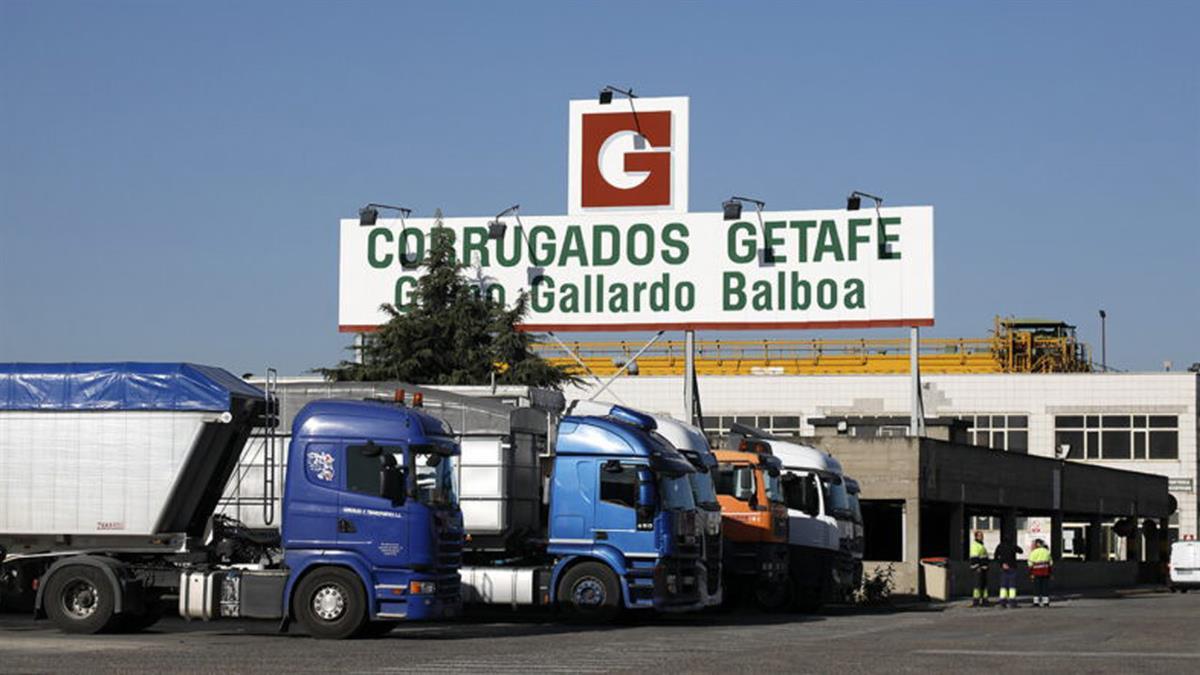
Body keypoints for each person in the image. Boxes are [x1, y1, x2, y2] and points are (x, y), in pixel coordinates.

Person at [993, 535, 1023, 608]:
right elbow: (1021, 551)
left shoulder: (1000, 546)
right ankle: (1012, 602)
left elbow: (995, 557)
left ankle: (1003, 602)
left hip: (1003, 568)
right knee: (1012, 585)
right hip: (1012, 567)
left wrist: (1002, 563)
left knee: (1003, 585)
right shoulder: (1012, 546)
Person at [1029, 538, 1054, 607]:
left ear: (1037, 544)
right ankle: (1046, 602)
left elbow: (1030, 564)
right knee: (1045, 587)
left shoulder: (1034, 552)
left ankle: (1036, 602)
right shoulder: (1047, 552)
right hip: (1045, 572)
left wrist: (1031, 573)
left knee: (1036, 587)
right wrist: (1051, 573)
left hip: (1036, 572)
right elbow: (1050, 563)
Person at [969, 530, 990, 607]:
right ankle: (976, 601)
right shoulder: (975, 545)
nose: (982, 537)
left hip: (983, 568)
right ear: (976, 537)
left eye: (982, 535)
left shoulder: (981, 545)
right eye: (980, 535)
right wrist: (977, 567)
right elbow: (974, 558)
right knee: (977, 585)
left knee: (984, 585)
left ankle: (984, 600)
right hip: (978, 568)